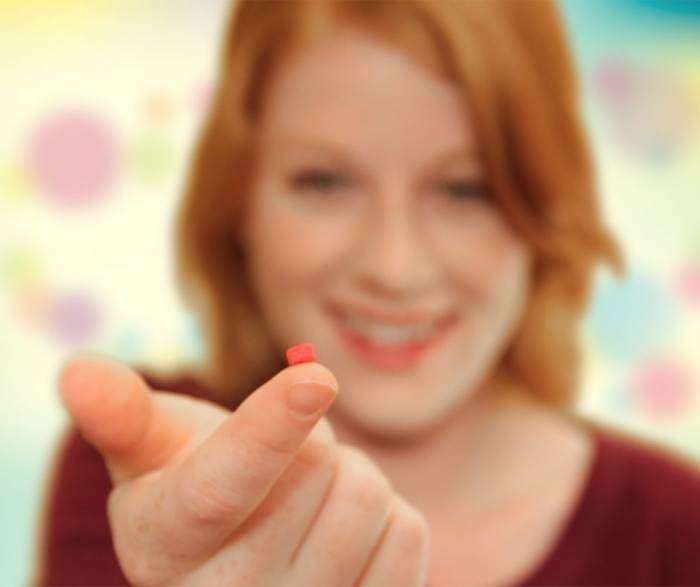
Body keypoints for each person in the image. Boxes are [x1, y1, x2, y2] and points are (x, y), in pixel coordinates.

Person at [31, 1, 700, 586]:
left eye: (464, 189)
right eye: (325, 182)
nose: (395, 266)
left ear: (546, 212)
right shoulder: (136, 469)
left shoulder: (678, 527)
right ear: (239, 203)